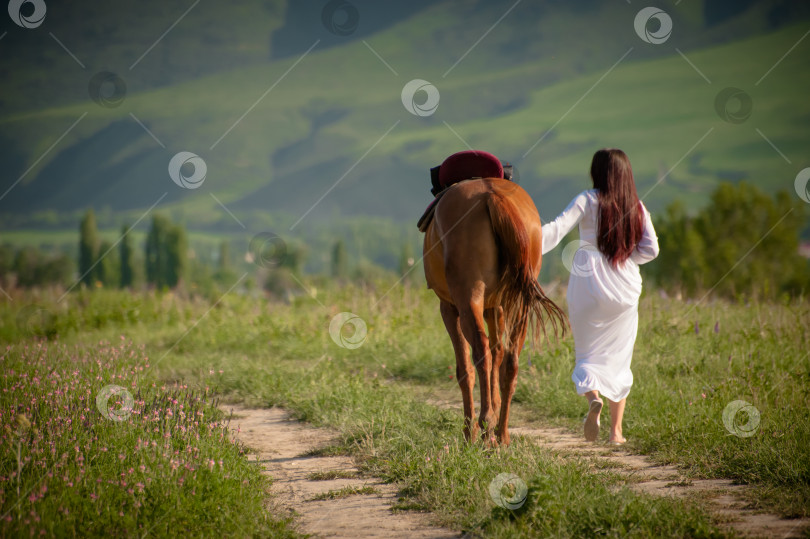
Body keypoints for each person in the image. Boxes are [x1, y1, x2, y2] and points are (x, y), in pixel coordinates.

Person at [541, 148, 659, 444]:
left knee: (587, 354)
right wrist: (626, 257)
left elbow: (556, 230)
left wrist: (525, 240)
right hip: (624, 287)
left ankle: (593, 397)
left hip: (589, 284)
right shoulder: (638, 207)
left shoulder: (588, 199)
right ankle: (616, 433)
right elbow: (652, 250)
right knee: (620, 359)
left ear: (597, 172)